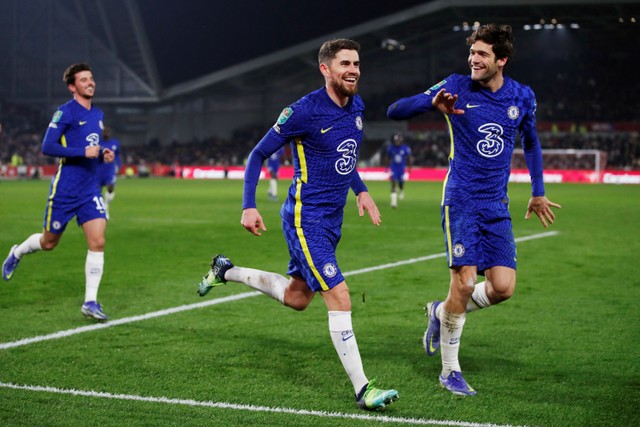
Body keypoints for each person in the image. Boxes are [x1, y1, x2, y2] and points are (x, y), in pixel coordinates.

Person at [197, 39, 398, 411]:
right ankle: (363, 389)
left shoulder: (357, 106)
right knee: (339, 294)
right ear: (325, 69)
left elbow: (344, 157)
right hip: (306, 219)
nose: (353, 70)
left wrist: (362, 191)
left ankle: (226, 271)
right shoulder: (302, 111)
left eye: (356, 63)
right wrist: (248, 206)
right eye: (344, 64)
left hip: (331, 219)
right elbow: (258, 154)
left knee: (297, 298)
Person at [387, 24, 561, 396]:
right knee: (464, 284)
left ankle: (440, 312)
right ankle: (449, 371)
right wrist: (431, 103)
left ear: (502, 60)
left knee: (502, 288)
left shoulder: (522, 97)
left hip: (496, 204)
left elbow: (531, 143)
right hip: (461, 200)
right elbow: (394, 110)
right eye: (472, 53)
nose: (473, 60)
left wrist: (538, 191)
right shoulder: (455, 85)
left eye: (482, 54)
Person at [2, 63, 114, 321]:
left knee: (98, 241)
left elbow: (91, 146)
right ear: (72, 86)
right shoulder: (64, 113)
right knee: (49, 242)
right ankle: (17, 252)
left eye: (91, 78)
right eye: (84, 80)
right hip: (65, 189)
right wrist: (82, 153)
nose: (90, 82)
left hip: (89, 189)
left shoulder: (97, 114)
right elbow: (48, 146)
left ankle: (90, 302)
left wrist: (102, 154)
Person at [97, 126, 122, 219]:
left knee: (110, 187)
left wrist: (118, 166)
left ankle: (106, 205)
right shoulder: (98, 143)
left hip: (110, 169)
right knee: (97, 192)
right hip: (98, 170)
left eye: (108, 132)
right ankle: (100, 210)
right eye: (105, 132)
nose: (106, 134)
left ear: (110, 133)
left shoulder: (115, 143)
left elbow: (118, 155)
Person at [384, 133, 412, 208]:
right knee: (393, 182)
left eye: (399, 140)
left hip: (401, 168)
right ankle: (393, 202)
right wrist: (386, 167)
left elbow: (409, 158)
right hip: (394, 167)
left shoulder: (405, 148)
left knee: (400, 182)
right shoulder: (391, 148)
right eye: (396, 140)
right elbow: (387, 157)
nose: (397, 142)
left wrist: (409, 167)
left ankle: (401, 190)